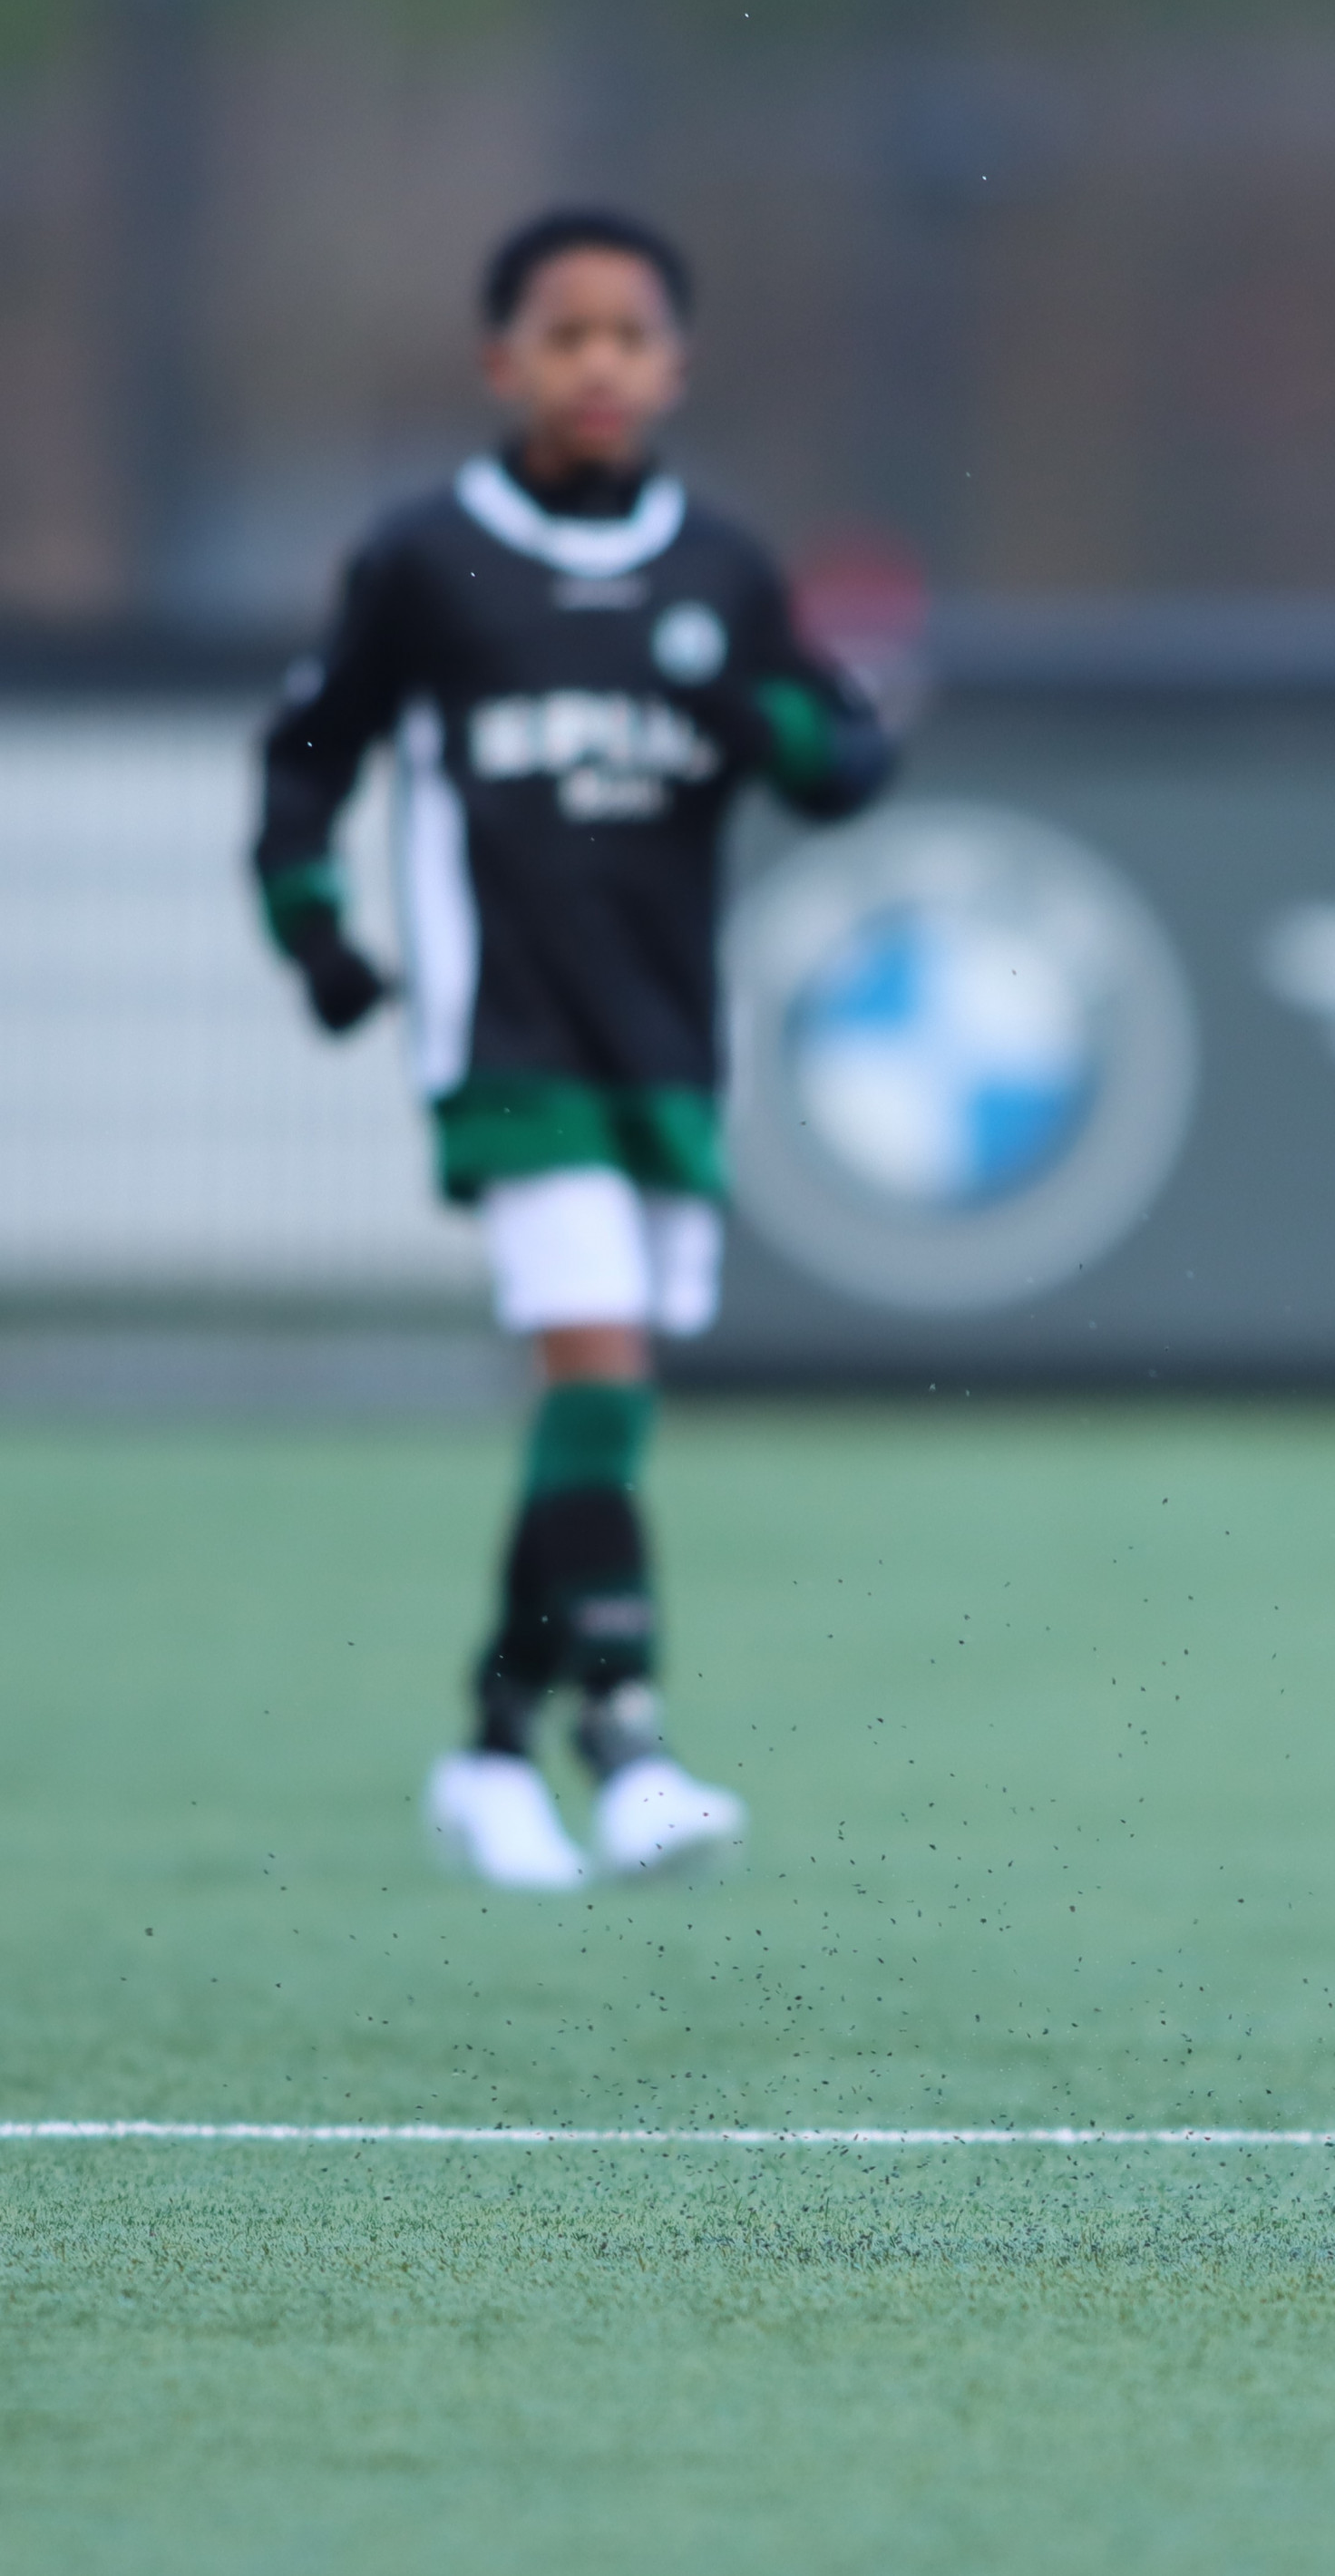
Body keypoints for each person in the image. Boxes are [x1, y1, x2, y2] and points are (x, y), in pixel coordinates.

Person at [251, 204, 893, 1891]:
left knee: (600, 1414)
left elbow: (841, 761)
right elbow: (306, 762)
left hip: (666, 1043)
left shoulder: (721, 568)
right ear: (501, 359)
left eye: (629, 336)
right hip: (507, 1037)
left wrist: (785, 716)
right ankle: (624, 1737)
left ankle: (485, 1744)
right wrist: (315, 930)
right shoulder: (424, 555)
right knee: (595, 1377)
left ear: (674, 366)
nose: (596, 362)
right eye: (565, 333)